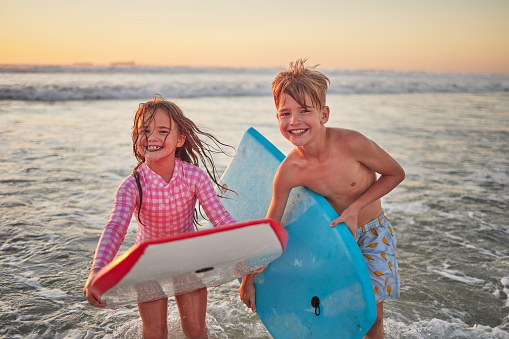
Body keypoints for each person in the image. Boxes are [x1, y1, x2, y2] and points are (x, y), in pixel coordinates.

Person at [239, 59, 405, 339]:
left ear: (324, 114)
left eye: (304, 111)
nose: (294, 121)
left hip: (371, 234)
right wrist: (248, 279)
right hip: (331, 243)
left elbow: (394, 173)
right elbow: (272, 226)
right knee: (337, 316)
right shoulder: (289, 171)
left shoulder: (351, 143)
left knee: (371, 320)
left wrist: (354, 209)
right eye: (285, 113)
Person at [83, 95, 237, 339]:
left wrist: (246, 251)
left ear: (180, 139)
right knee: (155, 332)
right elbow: (115, 228)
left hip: (189, 259)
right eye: (145, 130)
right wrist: (98, 270)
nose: (152, 137)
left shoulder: (194, 177)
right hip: (149, 264)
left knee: (196, 330)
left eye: (163, 131)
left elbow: (220, 218)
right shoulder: (131, 186)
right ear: (136, 138)